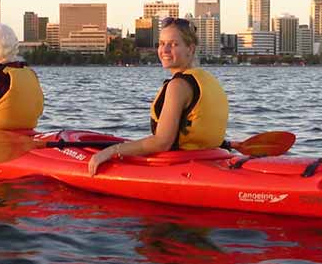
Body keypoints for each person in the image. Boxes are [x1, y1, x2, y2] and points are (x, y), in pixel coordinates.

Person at [88, 17, 229, 176]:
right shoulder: (208, 80)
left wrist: (110, 152)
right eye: (162, 43)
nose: (165, 50)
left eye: (174, 44)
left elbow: (162, 143)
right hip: (210, 159)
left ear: (190, 49)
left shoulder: (178, 86)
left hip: (181, 168)